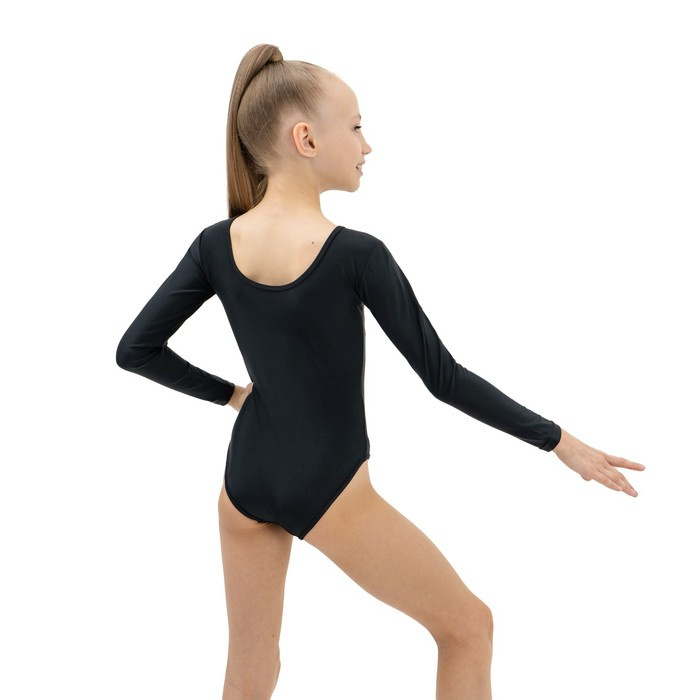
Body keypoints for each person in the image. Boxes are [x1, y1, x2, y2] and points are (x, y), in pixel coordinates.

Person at [115, 43, 646, 700]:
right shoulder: (355, 256)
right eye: (357, 126)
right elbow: (444, 378)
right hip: (325, 484)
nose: (368, 145)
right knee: (468, 629)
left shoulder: (216, 245)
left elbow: (136, 349)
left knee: (252, 669)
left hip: (244, 478)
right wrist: (560, 440)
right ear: (306, 139)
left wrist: (232, 397)